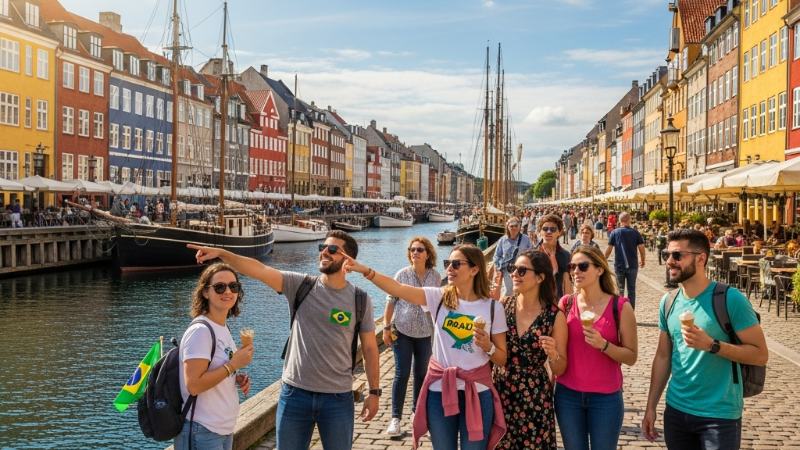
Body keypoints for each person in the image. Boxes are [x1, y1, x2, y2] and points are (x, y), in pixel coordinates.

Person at [188, 230, 381, 450]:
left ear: (349, 260)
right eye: (323, 248)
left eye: (333, 249)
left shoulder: (360, 300)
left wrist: (374, 392)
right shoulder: (301, 285)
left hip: (337, 399)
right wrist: (222, 254)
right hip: (295, 394)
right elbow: (259, 270)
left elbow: (369, 349)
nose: (325, 252)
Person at [343, 244, 508, 450]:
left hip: (477, 391)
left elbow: (501, 359)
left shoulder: (493, 308)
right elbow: (397, 289)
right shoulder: (438, 297)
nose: (449, 268)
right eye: (448, 263)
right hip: (439, 390)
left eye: (456, 264)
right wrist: (366, 271)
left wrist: (488, 346)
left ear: (475, 270)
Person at [642, 229, 768, 450]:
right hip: (676, 411)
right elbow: (663, 356)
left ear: (701, 259)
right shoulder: (669, 301)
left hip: (719, 415)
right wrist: (651, 406)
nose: (669, 262)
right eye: (667, 255)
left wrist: (712, 345)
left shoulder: (731, 299)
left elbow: (760, 354)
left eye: (677, 255)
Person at [555, 245, 639, 450]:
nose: (576, 271)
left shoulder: (620, 306)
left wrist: (604, 345)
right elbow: (558, 353)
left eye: (583, 266)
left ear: (600, 269)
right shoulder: (566, 304)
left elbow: (631, 357)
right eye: (572, 266)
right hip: (568, 395)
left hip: (606, 398)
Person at [491, 249, 568, 450]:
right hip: (500, 388)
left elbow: (560, 369)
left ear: (541, 277)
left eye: (522, 270)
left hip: (534, 395)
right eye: (512, 269)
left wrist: (553, 354)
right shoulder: (502, 305)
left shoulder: (554, 316)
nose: (514, 274)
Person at [174, 263, 254, 450]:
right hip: (202, 430)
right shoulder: (201, 331)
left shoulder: (222, 327)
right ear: (205, 293)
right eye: (219, 287)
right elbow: (193, 386)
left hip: (222, 429)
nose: (227, 291)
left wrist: (235, 377)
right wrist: (233, 366)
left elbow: (215, 370)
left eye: (233, 286)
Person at [382, 237, 440, 437]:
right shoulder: (401, 274)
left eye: (419, 249)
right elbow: (391, 301)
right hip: (403, 330)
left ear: (427, 254)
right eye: (412, 249)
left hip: (425, 333)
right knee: (402, 373)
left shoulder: (435, 277)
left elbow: (439, 304)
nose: (415, 252)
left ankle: (417, 414)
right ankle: (395, 419)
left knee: (421, 375)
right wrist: (386, 327)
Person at [604, 212, 645, 309]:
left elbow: (609, 249)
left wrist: (603, 259)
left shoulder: (615, 232)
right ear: (629, 221)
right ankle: (631, 311)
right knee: (631, 289)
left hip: (619, 265)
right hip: (633, 265)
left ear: (619, 221)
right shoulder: (635, 233)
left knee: (620, 289)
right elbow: (641, 248)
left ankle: (620, 311)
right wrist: (643, 260)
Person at [493, 217, 534, 297]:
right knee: (507, 293)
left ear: (519, 226)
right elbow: (497, 256)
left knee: (521, 292)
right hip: (507, 271)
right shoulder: (502, 240)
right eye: (511, 226)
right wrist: (501, 267)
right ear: (507, 227)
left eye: (516, 226)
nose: (514, 228)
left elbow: (532, 253)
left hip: (522, 270)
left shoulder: (526, 239)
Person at [535, 214, 573, 299]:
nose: (548, 232)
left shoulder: (566, 256)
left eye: (553, 229)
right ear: (540, 232)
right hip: (537, 300)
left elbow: (567, 282)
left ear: (559, 232)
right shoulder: (533, 255)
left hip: (558, 301)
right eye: (545, 229)